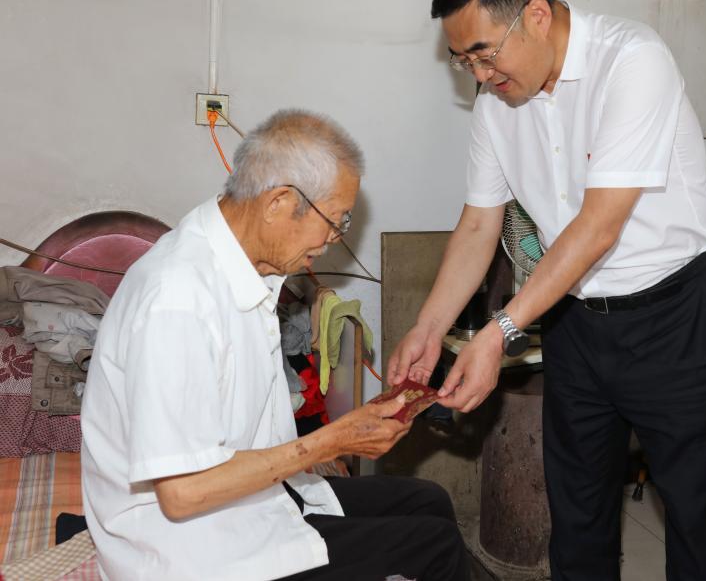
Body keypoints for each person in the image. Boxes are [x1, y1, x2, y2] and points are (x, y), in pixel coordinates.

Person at [388, 0, 706, 580]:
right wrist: (429, 328)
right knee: (577, 516)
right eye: (463, 60)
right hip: (576, 318)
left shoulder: (632, 61)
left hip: (672, 318)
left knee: (697, 518)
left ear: (537, 16)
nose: (479, 76)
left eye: (484, 53)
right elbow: (479, 224)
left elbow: (598, 226)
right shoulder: (495, 106)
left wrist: (500, 331)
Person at [81, 110, 469, 581]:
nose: (332, 240)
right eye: (336, 220)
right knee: (435, 544)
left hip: (246, 502)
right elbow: (182, 493)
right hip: (189, 549)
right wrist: (331, 440)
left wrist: (343, 434)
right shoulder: (177, 299)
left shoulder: (238, 262)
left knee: (428, 502)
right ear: (279, 202)